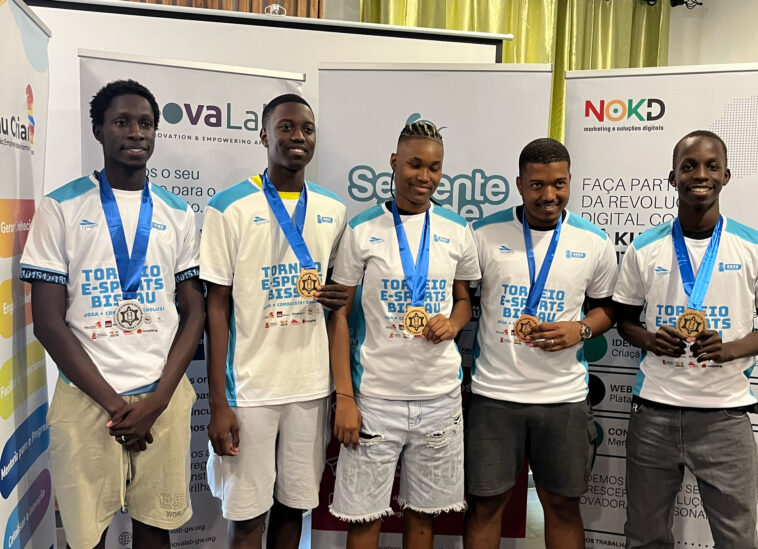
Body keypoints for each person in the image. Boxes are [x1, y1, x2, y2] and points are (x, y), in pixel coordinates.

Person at [20, 79, 204, 548]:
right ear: (99, 130)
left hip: (162, 396)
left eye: (146, 123)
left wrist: (156, 403)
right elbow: (48, 324)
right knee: (86, 538)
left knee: (156, 531)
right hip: (86, 398)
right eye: (122, 122)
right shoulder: (60, 208)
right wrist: (116, 407)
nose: (136, 132)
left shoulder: (178, 212)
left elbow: (195, 312)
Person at [200, 94, 347, 549]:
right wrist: (218, 402)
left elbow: (335, 296)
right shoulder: (229, 207)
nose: (297, 136)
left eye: (306, 129)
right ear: (264, 136)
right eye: (285, 127)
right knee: (247, 516)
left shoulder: (333, 208)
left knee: (294, 507)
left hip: (309, 387)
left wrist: (337, 296)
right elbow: (216, 306)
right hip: (250, 389)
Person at [328, 120, 481, 549]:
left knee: (423, 516)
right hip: (375, 399)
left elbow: (464, 300)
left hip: (439, 399)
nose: (424, 177)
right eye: (414, 164)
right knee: (363, 519)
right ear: (395, 162)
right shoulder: (362, 229)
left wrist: (454, 323)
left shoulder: (457, 229)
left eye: (434, 168)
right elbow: (339, 316)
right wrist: (345, 397)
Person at [614, 130, 758, 549]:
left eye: (711, 166)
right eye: (688, 166)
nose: (700, 175)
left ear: (726, 176)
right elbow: (624, 321)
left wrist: (730, 349)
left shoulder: (755, 246)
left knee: (737, 539)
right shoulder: (644, 247)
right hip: (654, 414)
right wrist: (650, 340)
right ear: (672, 177)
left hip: (725, 416)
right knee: (644, 536)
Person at [463, 138, 617, 549]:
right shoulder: (483, 233)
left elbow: (608, 308)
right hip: (494, 397)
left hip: (563, 399)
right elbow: (461, 299)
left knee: (562, 507)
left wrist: (580, 330)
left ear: (570, 181)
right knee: (485, 506)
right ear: (519, 184)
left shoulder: (594, 241)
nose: (549, 195)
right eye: (537, 185)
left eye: (559, 184)